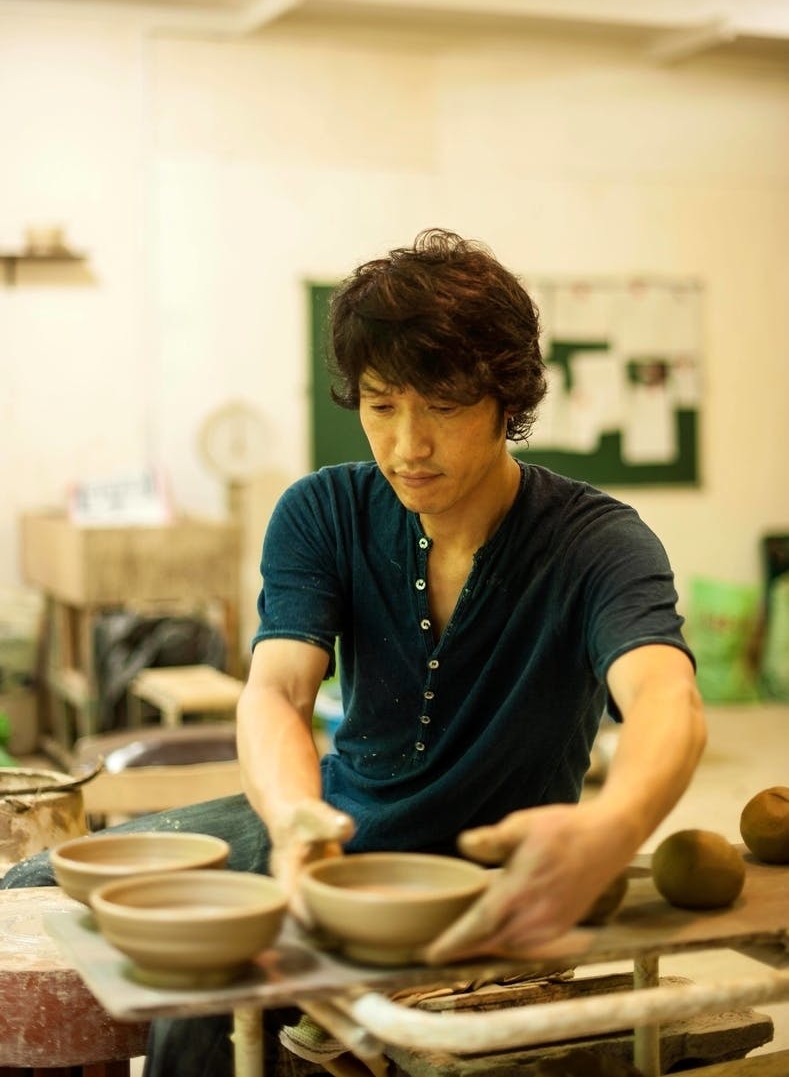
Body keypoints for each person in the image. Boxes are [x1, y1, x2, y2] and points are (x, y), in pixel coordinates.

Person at [2, 228, 706, 1075]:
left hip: (469, 869)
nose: (408, 445)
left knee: (202, 1004)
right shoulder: (323, 511)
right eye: (381, 405)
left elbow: (666, 697)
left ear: (505, 399)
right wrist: (292, 818)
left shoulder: (596, 543)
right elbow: (277, 691)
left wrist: (612, 825)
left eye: (442, 406)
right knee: (31, 883)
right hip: (329, 823)